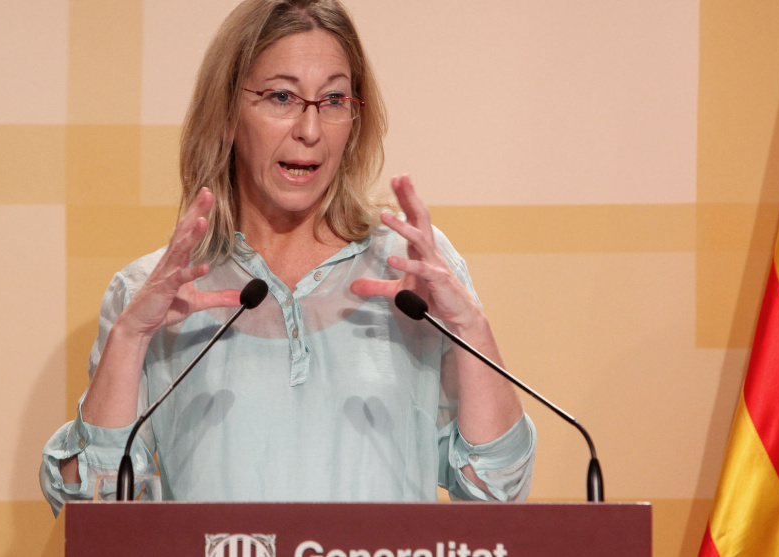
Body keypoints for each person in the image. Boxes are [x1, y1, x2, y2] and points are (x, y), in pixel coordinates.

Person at [39, 0, 535, 516]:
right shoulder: (155, 290)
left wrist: (471, 329)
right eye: (281, 97)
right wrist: (129, 339)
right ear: (226, 114)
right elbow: (93, 510)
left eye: (334, 99)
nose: (310, 130)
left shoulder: (410, 271)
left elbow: (497, 493)